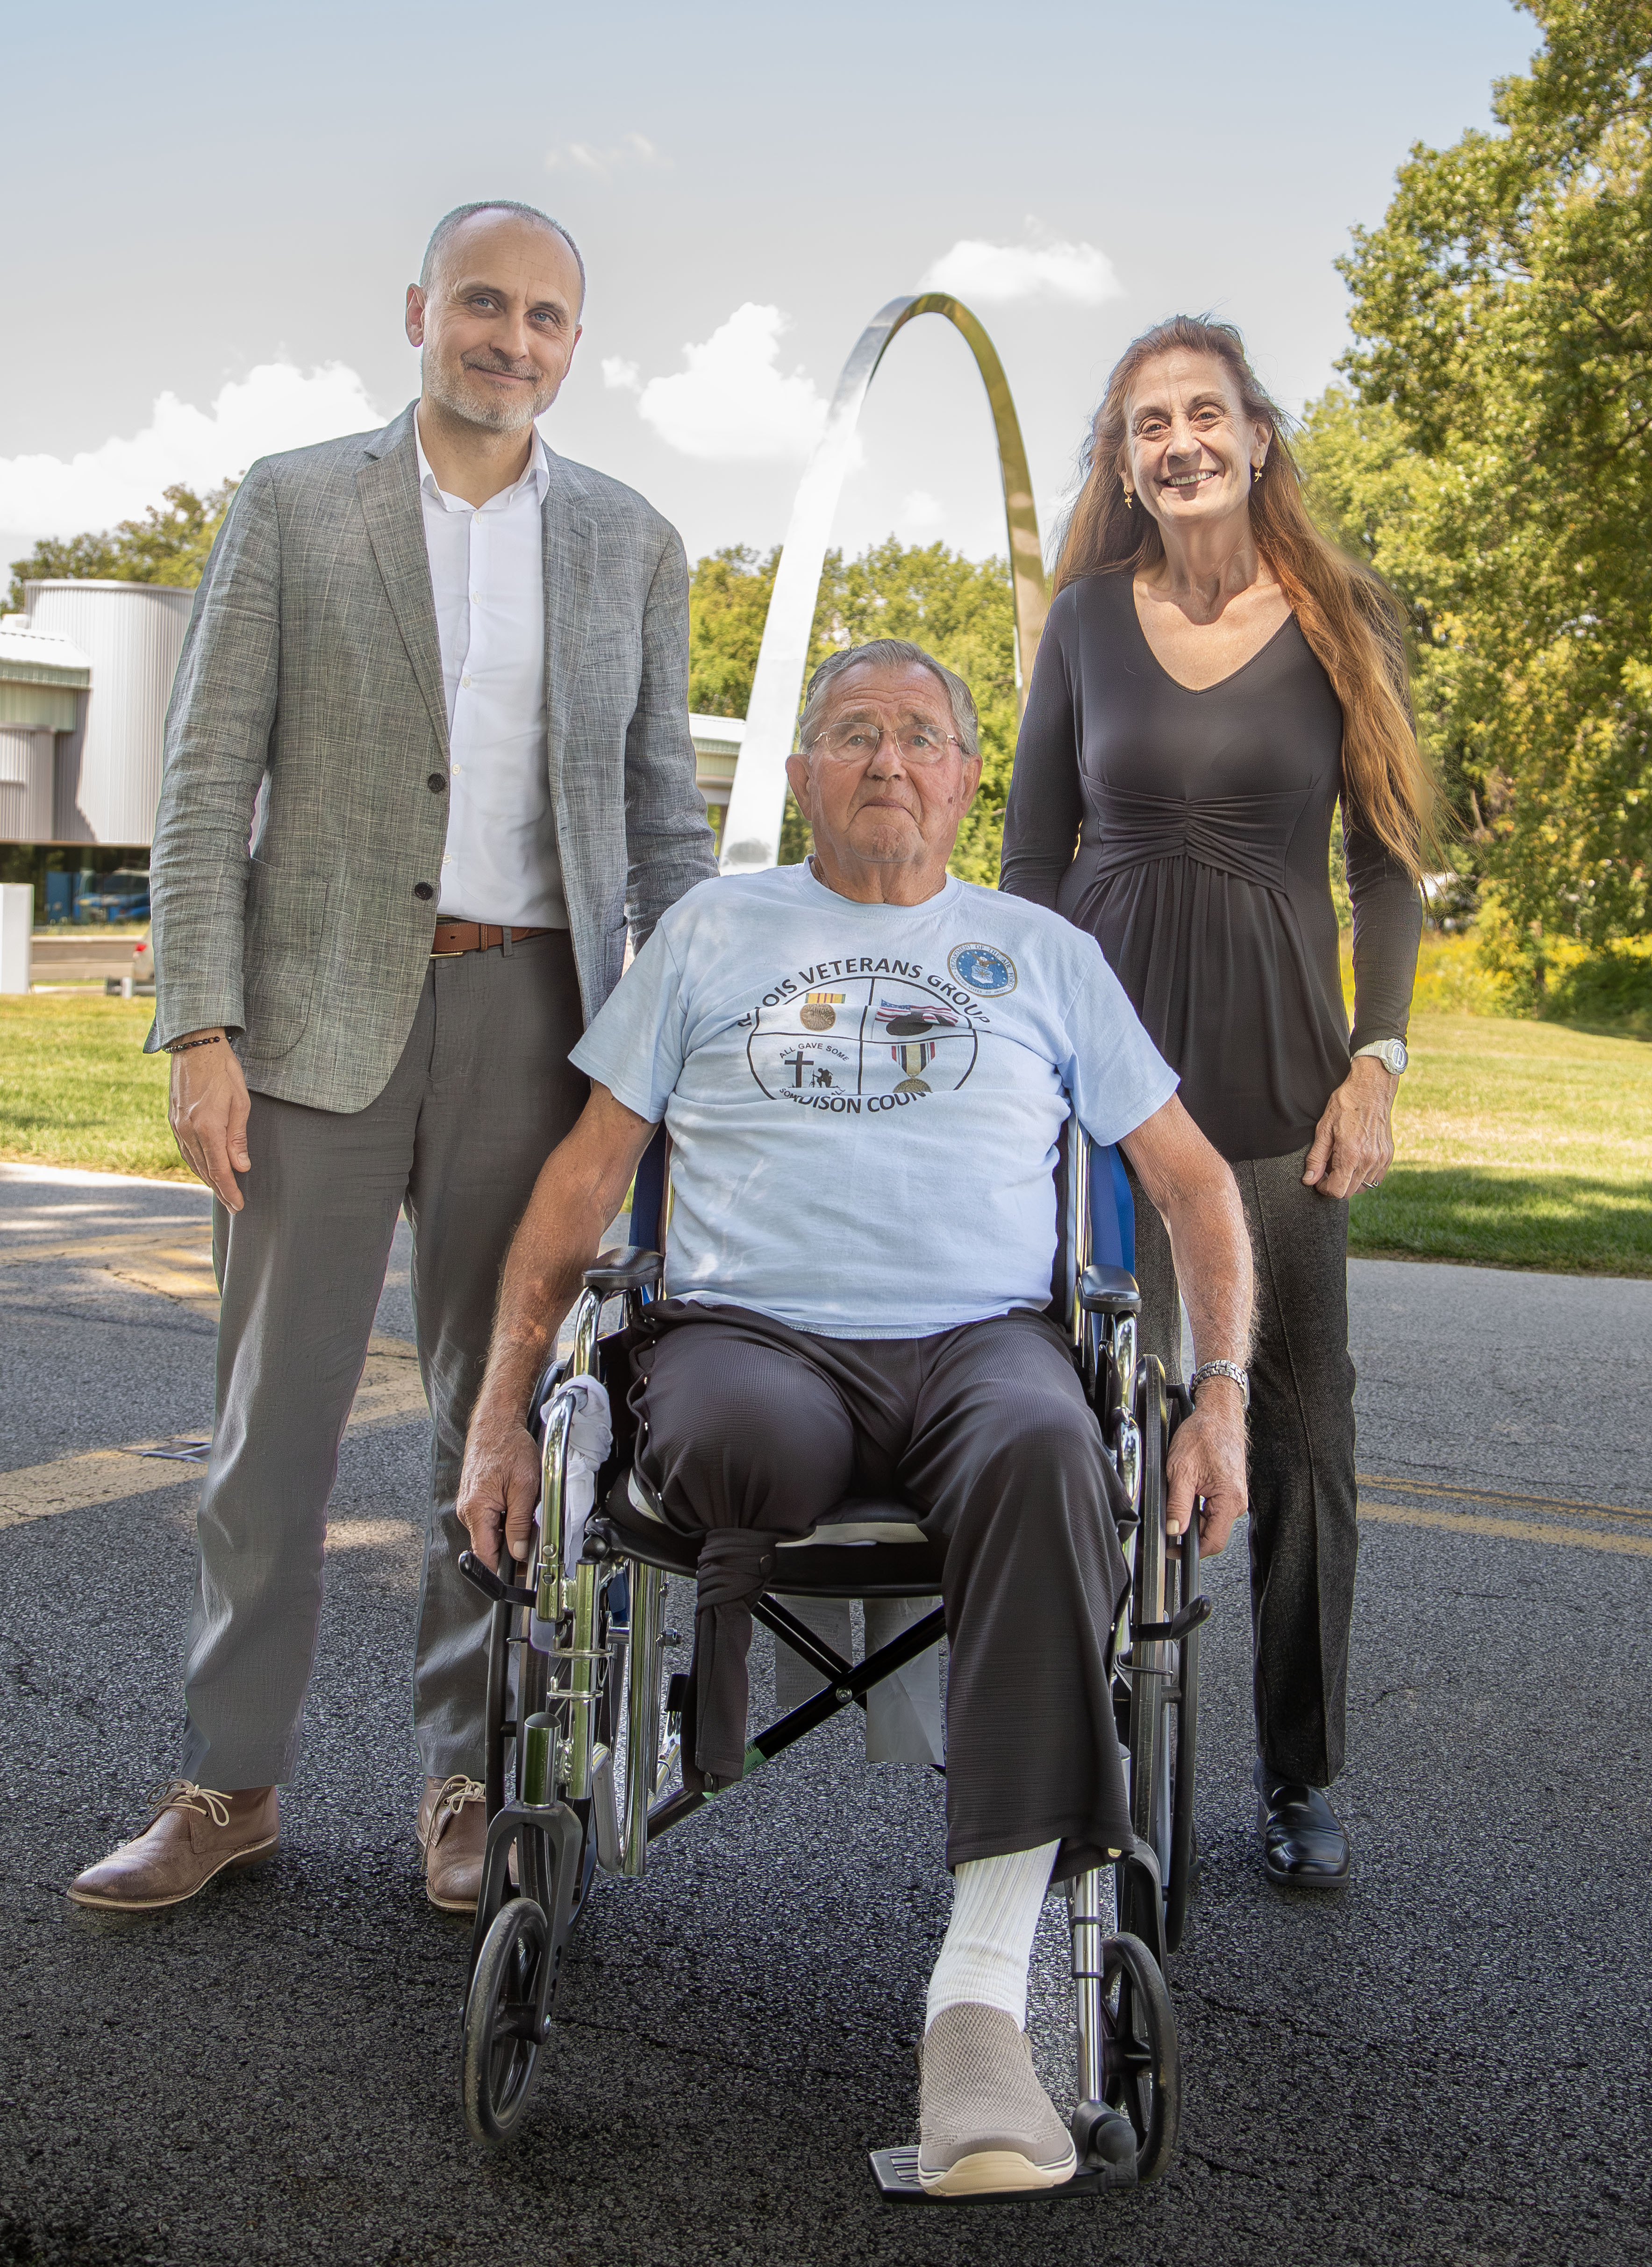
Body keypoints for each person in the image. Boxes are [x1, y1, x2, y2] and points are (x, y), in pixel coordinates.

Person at [455, 639, 1255, 2195]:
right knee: (749, 1438)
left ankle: (977, 2012)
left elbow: (1194, 1185)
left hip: (983, 1351)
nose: (887, 760)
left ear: (966, 777)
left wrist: (1215, 1391)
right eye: (850, 734)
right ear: (803, 774)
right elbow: (583, 1180)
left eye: (919, 737)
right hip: (751, 1340)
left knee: (1050, 1450)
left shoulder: (1038, 952)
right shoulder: (711, 928)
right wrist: (501, 1407)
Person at [68, 200, 719, 1918]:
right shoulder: (294, 502)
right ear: (420, 310)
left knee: (487, 1422)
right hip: (310, 1030)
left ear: (577, 345)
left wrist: (694, 1049)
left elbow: (664, 825)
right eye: (485, 305)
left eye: (549, 318)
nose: (513, 339)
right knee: (267, 1433)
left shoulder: (636, 543)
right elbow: (206, 780)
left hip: (538, 1026)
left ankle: (463, 1781)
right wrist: (199, 1028)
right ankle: (227, 1784)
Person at [1001, 316, 1433, 1892]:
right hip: (1098, 1097)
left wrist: (1375, 1058)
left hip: (1273, 1096)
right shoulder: (1081, 626)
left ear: (1255, 435)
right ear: (1123, 463)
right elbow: (1031, 862)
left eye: (1203, 413)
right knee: (1091, 1424)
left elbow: (1388, 867)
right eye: (1144, 425)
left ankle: (1300, 1770)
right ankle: (1095, 1757)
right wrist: (1020, 1055)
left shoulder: (1340, 621)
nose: (1176, 442)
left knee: (1301, 1444)